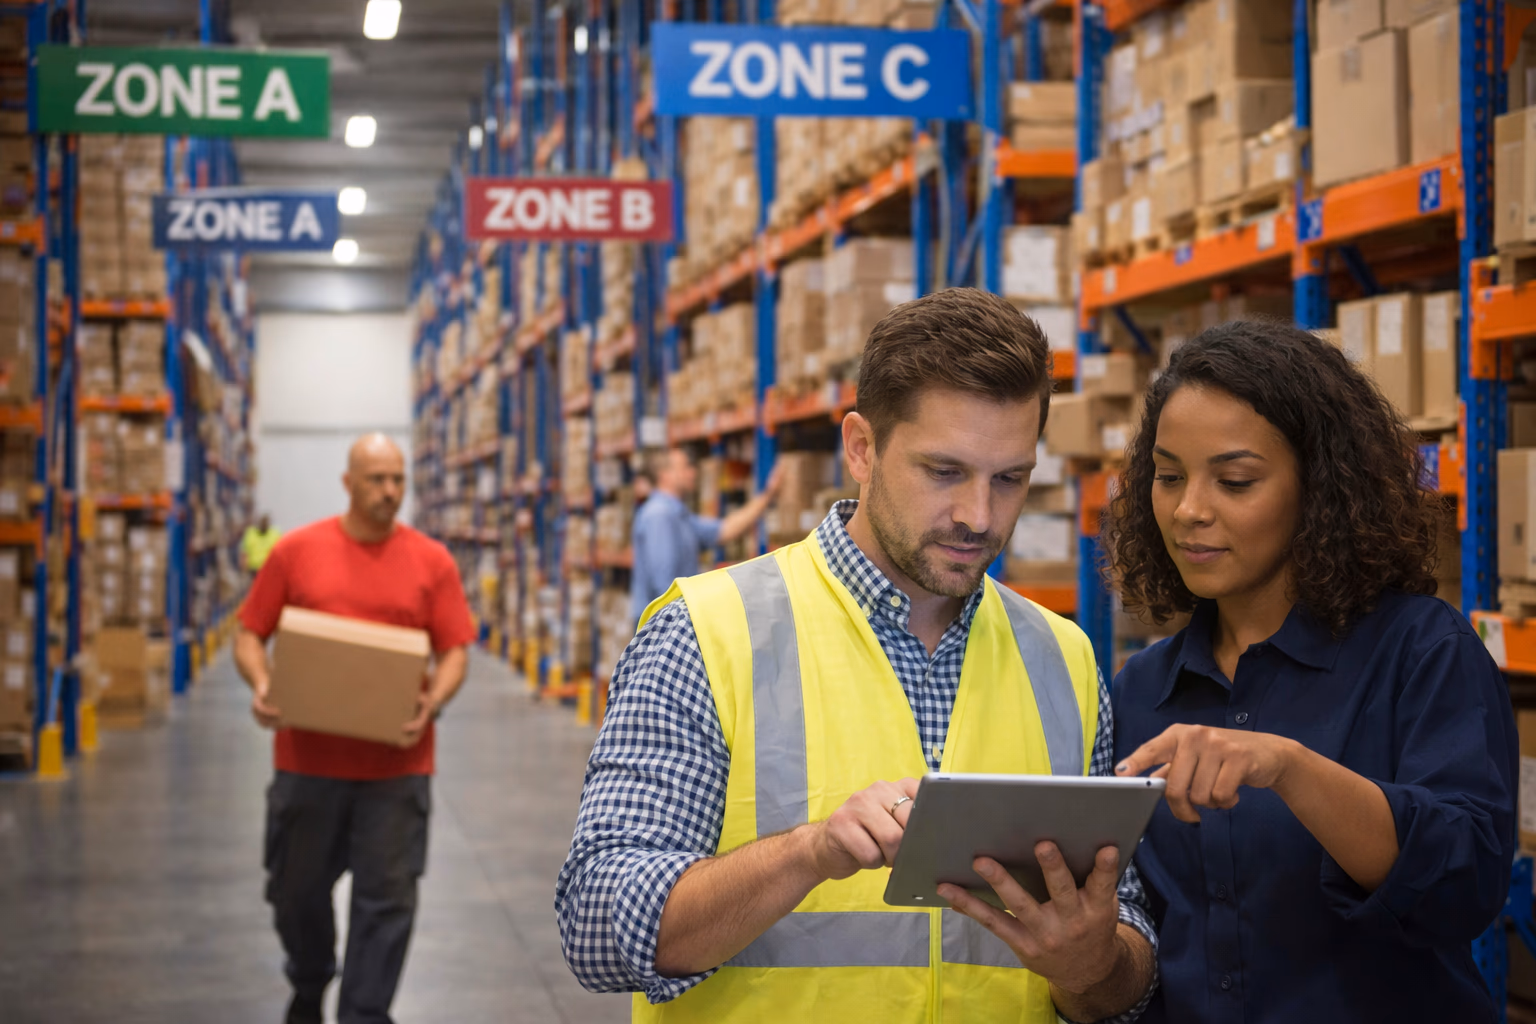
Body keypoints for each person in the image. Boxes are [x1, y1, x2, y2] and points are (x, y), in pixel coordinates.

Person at [557, 288, 1158, 1023]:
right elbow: (596, 927)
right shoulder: (707, 633)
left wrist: (1093, 967)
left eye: (1009, 479)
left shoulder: (1062, 657)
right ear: (862, 448)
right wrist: (807, 854)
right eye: (944, 472)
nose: (978, 515)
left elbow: (1121, 953)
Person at [1101, 320, 1517, 1022]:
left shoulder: (1421, 651)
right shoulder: (1141, 690)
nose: (1189, 510)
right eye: (1168, 477)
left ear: (1321, 488)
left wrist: (1290, 768)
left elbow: (1465, 885)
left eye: (1235, 480)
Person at [234, 434, 476, 1024]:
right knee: (297, 896)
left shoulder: (431, 561)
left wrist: (435, 701)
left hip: (397, 768)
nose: (390, 491)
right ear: (348, 482)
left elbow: (455, 650)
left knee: (386, 903)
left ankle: (364, 1013)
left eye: (398, 479)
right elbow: (249, 634)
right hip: (305, 764)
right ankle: (311, 978)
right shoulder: (296, 553)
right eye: (376, 479)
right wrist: (262, 685)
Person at [628, 447, 785, 619]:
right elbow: (664, 586)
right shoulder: (659, 515)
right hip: (661, 623)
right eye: (685, 467)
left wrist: (768, 494)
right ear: (665, 475)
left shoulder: (678, 515)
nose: (693, 472)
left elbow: (725, 529)